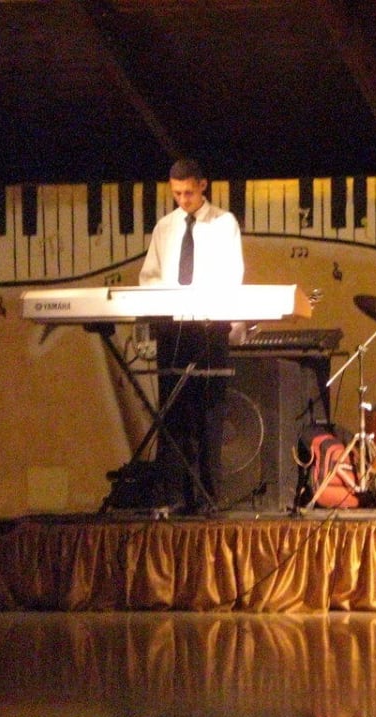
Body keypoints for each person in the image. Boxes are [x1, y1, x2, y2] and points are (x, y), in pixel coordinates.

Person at [139, 158, 245, 513]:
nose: (182, 199)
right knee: (174, 415)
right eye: (176, 193)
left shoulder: (223, 223)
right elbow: (149, 276)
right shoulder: (165, 227)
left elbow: (233, 274)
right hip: (174, 328)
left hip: (209, 328)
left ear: (203, 185)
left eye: (188, 192)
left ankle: (208, 498)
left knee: (208, 415)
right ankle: (175, 497)